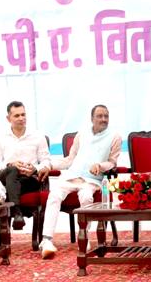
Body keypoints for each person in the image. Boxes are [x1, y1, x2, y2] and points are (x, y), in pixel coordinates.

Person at [39, 104, 121, 259]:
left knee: (86, 197)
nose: (104, 119)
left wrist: (100, 166)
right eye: (100, 116)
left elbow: (112, 162)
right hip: (71, 177)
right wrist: (49, 165)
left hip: (91, 180)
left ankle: (84, 236)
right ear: (92, 118)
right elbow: (69, 160)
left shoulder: (115, 137)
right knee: (54, 195)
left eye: (106, 116)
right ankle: (46, 240)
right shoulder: (81, 134)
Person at [0, 101, 51, 235]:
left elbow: (46, 161)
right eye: (17, 116)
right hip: (6, 178)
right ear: (8, 118)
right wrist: (9, 165)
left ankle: (7, 227)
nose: (21, 118)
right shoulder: (1, 138)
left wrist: (35, 168)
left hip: (29, 179)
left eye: (23, 115)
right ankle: (17, 212)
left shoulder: (38, 136)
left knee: (13, 183)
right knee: (12, 170)